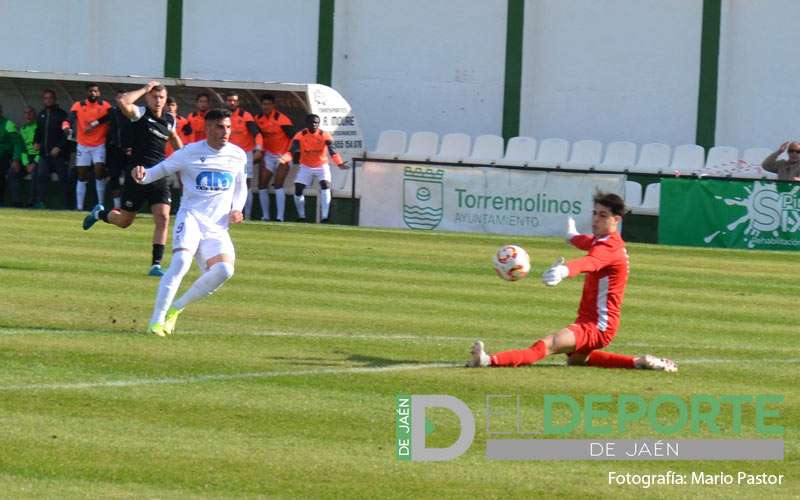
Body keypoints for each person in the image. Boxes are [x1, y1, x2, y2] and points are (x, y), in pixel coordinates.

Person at [467, 192, 677, 373]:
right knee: (577, 360)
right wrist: (572, 236)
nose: (596, 219)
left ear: (616, 220)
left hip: (597, 326)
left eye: (603, 215)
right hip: (594, 323)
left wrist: (564, 270)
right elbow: (588, 243)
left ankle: (487, 360)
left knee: (547, 345)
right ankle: (638, 362)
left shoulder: (609, 249)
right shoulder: (603, 241)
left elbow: (591, 262)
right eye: (594, 213)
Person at [132, 108, 247, 336]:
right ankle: (155, 322)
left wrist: (237, 209)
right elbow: (159, 171)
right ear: (207, 129)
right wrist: (142, 175)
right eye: (220, 127)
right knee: (181, 263)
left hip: (218, 227)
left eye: (228, 127)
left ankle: (175, 309)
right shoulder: (189, 152)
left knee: (224, 271)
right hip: (192, 218)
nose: (225, 132)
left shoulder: (238, 154)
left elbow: (241, 185)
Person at [82, 80, 183, 277]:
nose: (158, 100)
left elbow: (174, 138)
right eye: (154, 97)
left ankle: (155, 265)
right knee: (125, 221)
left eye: (161, 97)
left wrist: (188, 156)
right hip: (137, 175)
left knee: (162, 218)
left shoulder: (170, 119)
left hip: (159, 175)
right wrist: (145, 88)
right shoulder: (140, 113)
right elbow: (122, 101)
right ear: (147, 98)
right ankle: (99, 215)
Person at [279, 114, 348, 223]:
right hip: (306, 166)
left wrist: (339, 163)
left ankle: (325, 217)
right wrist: (285, 159)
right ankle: (301, 217)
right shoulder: (300, 135)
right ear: (307, 124)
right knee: (298, 189)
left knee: (325, 185)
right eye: (312, 122)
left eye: (317, 122)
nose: (315, 124)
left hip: (321, 165)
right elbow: (292, 150)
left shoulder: (324, 135)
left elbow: (332, 151)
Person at [63, 82, 112, 210]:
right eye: (91, 91)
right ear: (87, 92)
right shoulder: (78, 105)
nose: (93, 93)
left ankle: (100, 205)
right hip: (83, 145)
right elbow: (68, 119)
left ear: (99, 92)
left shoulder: (104, 105)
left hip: (99, 144)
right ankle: (79, 207)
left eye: (96, 91)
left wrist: (95, 123)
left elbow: (112, 115)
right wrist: (67, 128)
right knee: (82, 175)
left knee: (99, 171)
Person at [254, 93, 294, 221]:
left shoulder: (282, 119)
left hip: (283, 155)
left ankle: (280, 217)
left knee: (278, 184)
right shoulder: (258, 118)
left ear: (273, 105)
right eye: (264, 104)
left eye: (269, 104)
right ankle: (265, 216)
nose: (266, 107)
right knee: (262, 185)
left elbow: (294, 138)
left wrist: (289, 154)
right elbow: (256, 135)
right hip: (268, 155)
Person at [224, 91, 262, 219]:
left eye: (234, 100)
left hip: (245, 153)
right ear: (226, 102)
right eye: (229, 100)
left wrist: (258, 149)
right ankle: (228, 212)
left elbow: (257, 134)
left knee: (246, 182)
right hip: (228, 153)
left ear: (238, 102)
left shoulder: (246, 116)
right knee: (228, 181)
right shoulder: (224, 116)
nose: (232, 102)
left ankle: (247, 214)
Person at [33, 89, 69, 209]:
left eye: (50, 98)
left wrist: (58, 147)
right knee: (41, 177)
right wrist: (36, 142)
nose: (48, 100)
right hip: (44, 154)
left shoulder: (62, 114)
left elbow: (66, 134)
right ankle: (40, 202)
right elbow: (38, 131)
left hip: (58, 154)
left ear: (54, 99)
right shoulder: (41, 114)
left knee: (63, 179)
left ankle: (65, 204)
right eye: (45, 98)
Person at [0, 104, 23, 207]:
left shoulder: (8, 124)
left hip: (6, 157)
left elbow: (17, 144)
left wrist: (16, 160)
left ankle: (14, 202)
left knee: (10, 173)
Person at [19, 106, 41, 207]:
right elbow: (22, 148)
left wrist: (34, 162)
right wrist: (26, 163)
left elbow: (42, 148)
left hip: (37, 157)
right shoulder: (23, 129)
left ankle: (32, 202)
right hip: (26, 158)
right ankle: (16, 202)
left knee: (35, 173)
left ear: (34, 114)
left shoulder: (39, 127)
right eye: (25, 113)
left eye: (30, 113)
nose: (27, 115)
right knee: (12, 173)